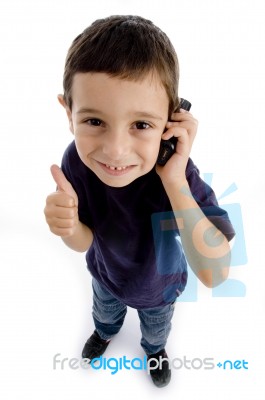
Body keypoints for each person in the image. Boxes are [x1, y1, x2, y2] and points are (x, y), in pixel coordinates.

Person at [44, 15, 235, 388]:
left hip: (157, 289)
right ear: (69, 113)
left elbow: (215, 274)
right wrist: (68, 228)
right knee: (105, 313)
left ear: (171, 122)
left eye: (142, 125)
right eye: (94, 121)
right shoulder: (75, 162)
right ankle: (105, 332)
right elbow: (86, 240)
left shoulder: (177, 175)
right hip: (106, 277)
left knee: (156, 328)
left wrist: (175, 180)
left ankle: (154, 351)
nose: (115, 150)